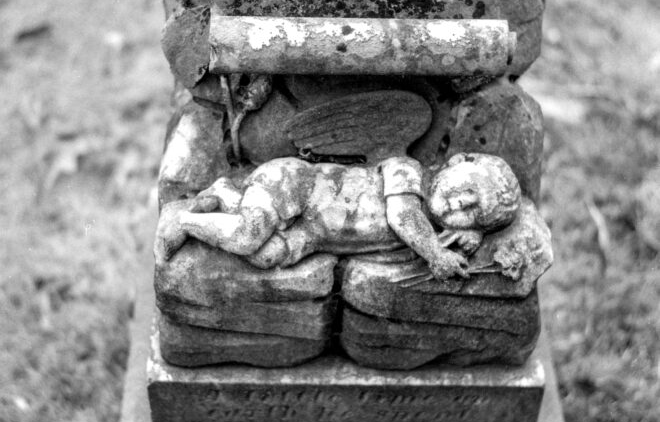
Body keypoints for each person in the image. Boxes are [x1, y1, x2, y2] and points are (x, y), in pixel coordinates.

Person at [161, 151, 521, 281]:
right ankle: (184, 223)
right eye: (468, 192)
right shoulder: (409, 173)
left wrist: (474, 237)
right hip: (299, 187)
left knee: (264, 255)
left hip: (313, 236)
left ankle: (225, 194)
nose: (460, 205)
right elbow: (401, 215)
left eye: (473, 214)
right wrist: (436, 254)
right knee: (247, 235)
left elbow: (429, 233)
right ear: (458, 161)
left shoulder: (433, 232)